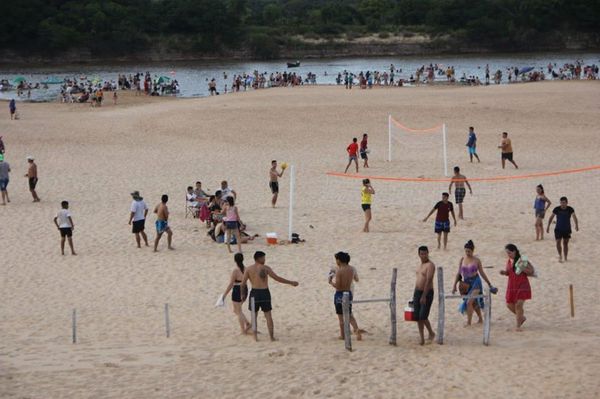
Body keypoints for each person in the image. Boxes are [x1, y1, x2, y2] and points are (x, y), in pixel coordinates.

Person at [241, 251, 299, 341]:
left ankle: (255, 337)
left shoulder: (248, 269)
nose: (264, 259)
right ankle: (271, 337)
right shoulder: (266, 268)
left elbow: (243, 284)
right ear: (258, 258)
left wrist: (243, 294)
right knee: (268, 316)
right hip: (264, 293)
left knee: (254, 316)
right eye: (263, 258)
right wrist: (291, 282)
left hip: (254, 294)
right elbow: (277, 278)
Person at [452, 240, 496, 326]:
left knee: (469, 302)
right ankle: (480, 318)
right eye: (466, 251)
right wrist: (454, 285)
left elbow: (482, 273)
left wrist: (489, 283)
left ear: (473, 250)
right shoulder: (462, 259)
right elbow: (459, 273)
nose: (467, 253)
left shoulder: (477, 260)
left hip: (476, 282)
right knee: (474, 302)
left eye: (469, 251)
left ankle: (469, 322)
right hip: (466, 283)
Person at [328, 252, 362, 341]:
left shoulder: (339, 271)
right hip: (349, 293)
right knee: (349, 314)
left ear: (339, 260)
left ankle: (343, 335)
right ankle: (356, 330)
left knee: (340, 316)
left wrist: (331, 282)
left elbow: (338, 286)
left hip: (340, 294)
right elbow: (357, 279)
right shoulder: (352, 269)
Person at [500, 244, 534, 331]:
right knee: (509, 305)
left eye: (510, 253)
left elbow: (531, 271)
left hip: (522, 284)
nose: (508, 255)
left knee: (518, 305)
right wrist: (504, 272)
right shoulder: (509, 261)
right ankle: (521, 317)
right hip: (512, 285)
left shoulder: (522, 259)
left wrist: (523, 269)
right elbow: (509, 272)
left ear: (514, 251)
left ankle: (518, 326)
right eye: (507, 253)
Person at [221, 253, 251, 334]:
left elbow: (231, 284)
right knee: (236, 310)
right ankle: (247, 323)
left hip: (238, 290)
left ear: (235, 260)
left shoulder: (236, 270)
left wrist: (224, 294)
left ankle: (243, 329)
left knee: (238, 311)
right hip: (245, 289)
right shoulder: (246, 269)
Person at [414, 246, 436, 345]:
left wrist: (424, 295)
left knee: (423, 315)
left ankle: (431, 333)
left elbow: (429, 280)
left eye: (425, 253)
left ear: (428, 253)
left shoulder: (430, 265)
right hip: (417, 291)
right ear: (419, 254)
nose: (423, 255)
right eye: (421, 254)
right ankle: (422, 338)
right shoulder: (420, 265)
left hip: (427, 292)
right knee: (418, 316)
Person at [547, 197, 579, 262]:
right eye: (561, 203)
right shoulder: (557, 209)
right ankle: (560, 255)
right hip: (558, 229)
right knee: (558, 242)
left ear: (567, 203)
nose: (562, 204)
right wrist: (548, 226)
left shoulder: (570, 209)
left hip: (567, 229)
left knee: (565, 243)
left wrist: (576, 225)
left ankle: (565, 257)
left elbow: (575, 217)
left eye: (564, 203)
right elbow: (551, 218)